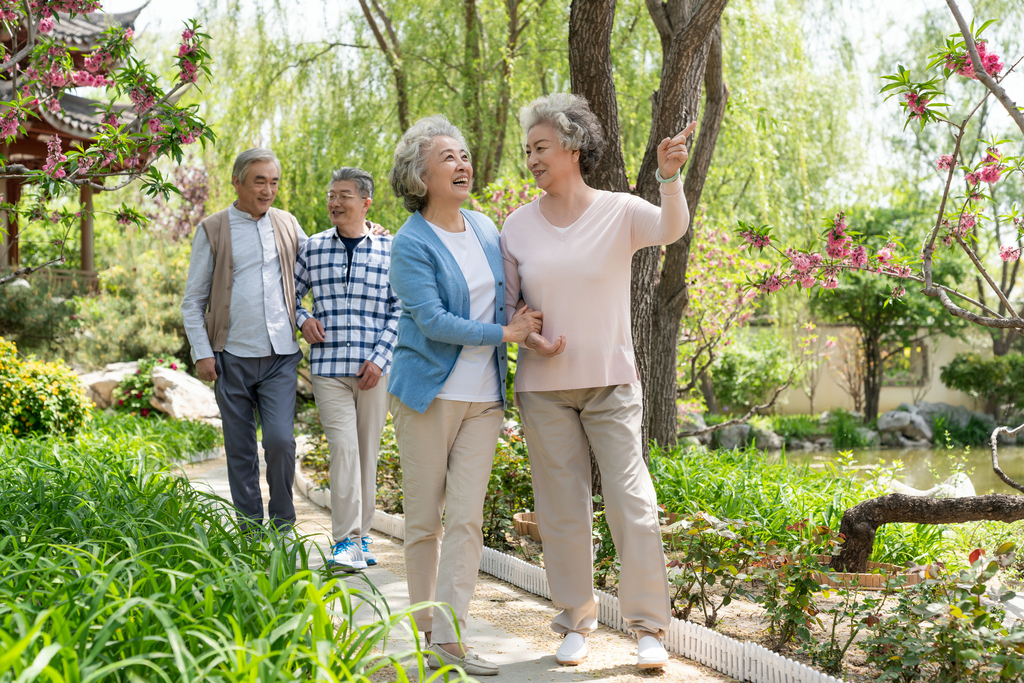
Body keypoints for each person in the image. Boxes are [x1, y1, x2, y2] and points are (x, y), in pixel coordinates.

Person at [500, 93, 696, 670]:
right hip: (543, 387)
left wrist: (667, 178)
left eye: (541, 147)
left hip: (611, 381)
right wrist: (526, 335)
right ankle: (575, 622)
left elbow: (670, 228)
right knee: (561, 507)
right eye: (528, 150)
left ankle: (647, 627)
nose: (532, 158)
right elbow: (511, 307)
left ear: (573, 147)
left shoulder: (618, 210)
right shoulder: (517, 225)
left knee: (630, 498)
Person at [387, 114, 542, 677]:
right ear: (419, 175)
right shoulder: (409, 244)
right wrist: (506, 335)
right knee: (425, 521)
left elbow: (508, 295)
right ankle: (425, 628)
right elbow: (432, 321)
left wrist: (530, 330)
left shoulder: (483, 227)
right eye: (448, 157)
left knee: (467, 520)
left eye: (465, 154)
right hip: (428, 395)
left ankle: (449, 640)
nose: (462, 164)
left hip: (484, 398)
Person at [181, 148, 306, 533]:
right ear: (236, 182)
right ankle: (250, 529)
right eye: (259, 181)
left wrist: (366, 234)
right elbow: (193, 301)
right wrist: (202, 354)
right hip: (230, 356)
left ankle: (283, 526)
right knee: (239, 450)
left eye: (274, 182)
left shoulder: (287, 223)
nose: (268, 190)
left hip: (280, 356)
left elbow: (321, 258)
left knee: (281, 442)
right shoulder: (214, 228)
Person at [294, 167, 401, 571]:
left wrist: (380, 357)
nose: (334, 203)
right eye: (331, 195)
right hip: (328, 367)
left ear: (366, 203)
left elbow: (400, 309)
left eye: (344, 196)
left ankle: (362, 535)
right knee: (344, 449)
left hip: (374, 370)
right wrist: (303, 319)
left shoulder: (389, 250)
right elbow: (293, 292)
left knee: (367, 454)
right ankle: (344, 542)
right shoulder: (314, 247)